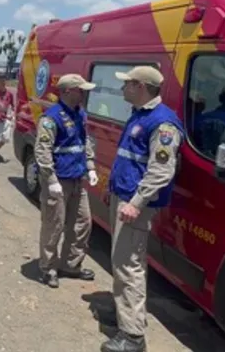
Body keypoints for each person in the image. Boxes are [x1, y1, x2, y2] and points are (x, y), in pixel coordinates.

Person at [101, 66, 184, 352]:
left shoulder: (163, 124)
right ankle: (124, 314)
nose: (122, 89)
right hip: (122, 196)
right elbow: (128, 159)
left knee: (129, 266)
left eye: (127, 84)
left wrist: (136, 203)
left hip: (134, 204)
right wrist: (110, 188)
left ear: (141, 87)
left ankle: (133, 336)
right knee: (121, 261)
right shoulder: (140, 115)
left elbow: (161, 172)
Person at [34, 74, 99, 289]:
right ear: (68, 91)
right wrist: (50, 179)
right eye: (81, 90)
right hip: (59, 180)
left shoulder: (81, 114)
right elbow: (42, 151)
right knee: (54, 225)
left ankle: (71, 265)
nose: (84, 93)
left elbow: (84, 142)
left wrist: (90, 166)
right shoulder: (51, 118)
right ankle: (48, 267)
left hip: (78, 177)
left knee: (83, 222)